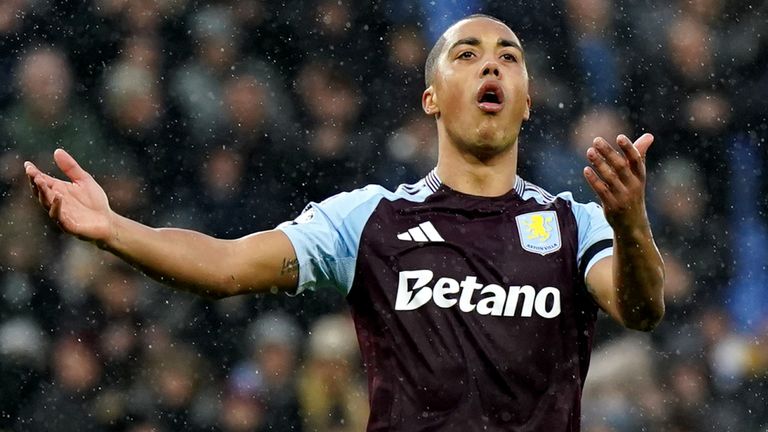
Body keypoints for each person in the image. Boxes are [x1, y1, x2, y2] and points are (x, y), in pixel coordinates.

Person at [24, 14, 665, 431]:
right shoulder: (370, 219)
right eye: (466, 54)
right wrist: (115, 230)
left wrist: (632, 224)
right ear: (431, 97)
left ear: (527, 101)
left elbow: (640, 310)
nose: (491, 64)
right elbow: (224, 266)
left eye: (509, 57)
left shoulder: (576, 222)